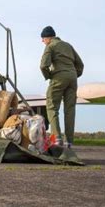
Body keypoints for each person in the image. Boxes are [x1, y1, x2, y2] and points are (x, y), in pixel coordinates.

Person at [39, 26, 84, 164]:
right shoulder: (68, 45)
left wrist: (50, 76)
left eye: (43, 39)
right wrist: (73, 74)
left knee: (52, 106)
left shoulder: (50, 46)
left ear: (48, 38)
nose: (42, 42)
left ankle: (57, 139)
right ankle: (69, 142)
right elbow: (80, 65)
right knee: (70, 110)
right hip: (72, 78)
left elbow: (43, 66)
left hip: (59, 77)